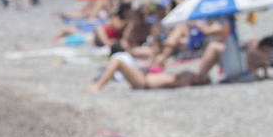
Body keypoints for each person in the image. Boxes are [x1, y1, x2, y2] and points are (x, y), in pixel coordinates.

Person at [85, 42, 224, 92]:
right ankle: (98, 82)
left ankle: (98, 86)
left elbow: (178, 83)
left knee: (118, 62)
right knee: (119, 61)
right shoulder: (189, 76)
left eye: (201, 77)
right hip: (144, 77)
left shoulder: (187, 80)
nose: (198, 75)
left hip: (144, 82)